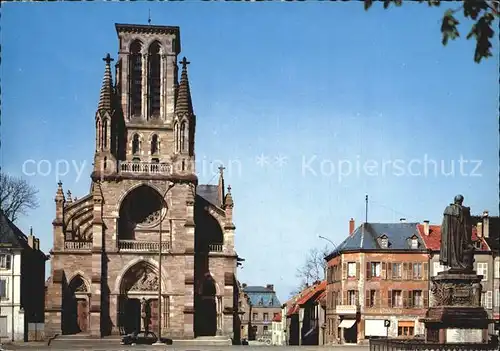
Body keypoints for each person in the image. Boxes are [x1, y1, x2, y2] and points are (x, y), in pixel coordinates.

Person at [440, 195, 473, 271]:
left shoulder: (448, 209)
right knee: (460, 247)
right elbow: (468, 226)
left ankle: (454, 262)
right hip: (461, 234)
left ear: (454, 200)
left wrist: (444, 237)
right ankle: (459, 262)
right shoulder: (465, 210)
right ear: (462, 201)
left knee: (453, 247)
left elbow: (444, 226)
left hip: (450, 235)